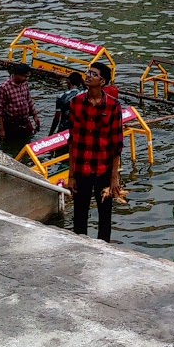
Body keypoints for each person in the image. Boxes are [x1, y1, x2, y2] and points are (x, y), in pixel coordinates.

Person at [67, 61, 123, 240]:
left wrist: (114, 177)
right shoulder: (76, 103)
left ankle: (103, 253)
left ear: (103, 81)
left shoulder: (113, 106)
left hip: (103, 171)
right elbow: (72, 141)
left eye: (94, 74)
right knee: (79, 217)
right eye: (88, 72)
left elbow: (116, 144)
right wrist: (71, 175)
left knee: (105, 217)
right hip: (81, 169)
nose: (88, 76)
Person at [0, 69, 39, 149]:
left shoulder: (24, 84)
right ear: (16, 74)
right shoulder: (4, 88)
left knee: (29, 139)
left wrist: (35, 115)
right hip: (11, 123)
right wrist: (1, 129)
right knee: (9, 144)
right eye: (24, 76)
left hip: (24, 120)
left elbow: (29, 100)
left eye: (27, 77)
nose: (26, 79)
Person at [50, 71, 85, 135]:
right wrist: (81, 80)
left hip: (63, 129)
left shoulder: (61, 97)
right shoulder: (83, 94)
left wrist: (50, 134)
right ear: (79, 83)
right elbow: (87, 88)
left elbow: (56, 118)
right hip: (77, 128)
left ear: (69, 82)